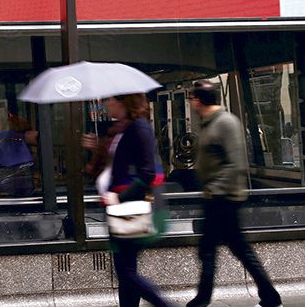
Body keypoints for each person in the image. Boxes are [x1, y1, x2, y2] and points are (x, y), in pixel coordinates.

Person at [186, 81, 283, 307]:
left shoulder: (225, 123)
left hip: (224, 198)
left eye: (192, 98)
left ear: (199, 100)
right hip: (215, 198)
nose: (190, 102)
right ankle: (205, 298)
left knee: (235, 248)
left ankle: (269, 296)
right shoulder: (209, 123)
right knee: (211, 249)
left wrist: (214, 189)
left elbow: (236, 163)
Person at [82, 93, 175, 307]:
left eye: (110, 100)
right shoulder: (120, 129)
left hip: (132, 208)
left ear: (123, 102)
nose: (106, 104)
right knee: (126, 270)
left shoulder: (139, 128)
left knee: (126, 272)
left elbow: (147, 174)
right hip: (120, 209)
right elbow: (110, 167)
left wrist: (119, 195)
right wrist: (95, 149)